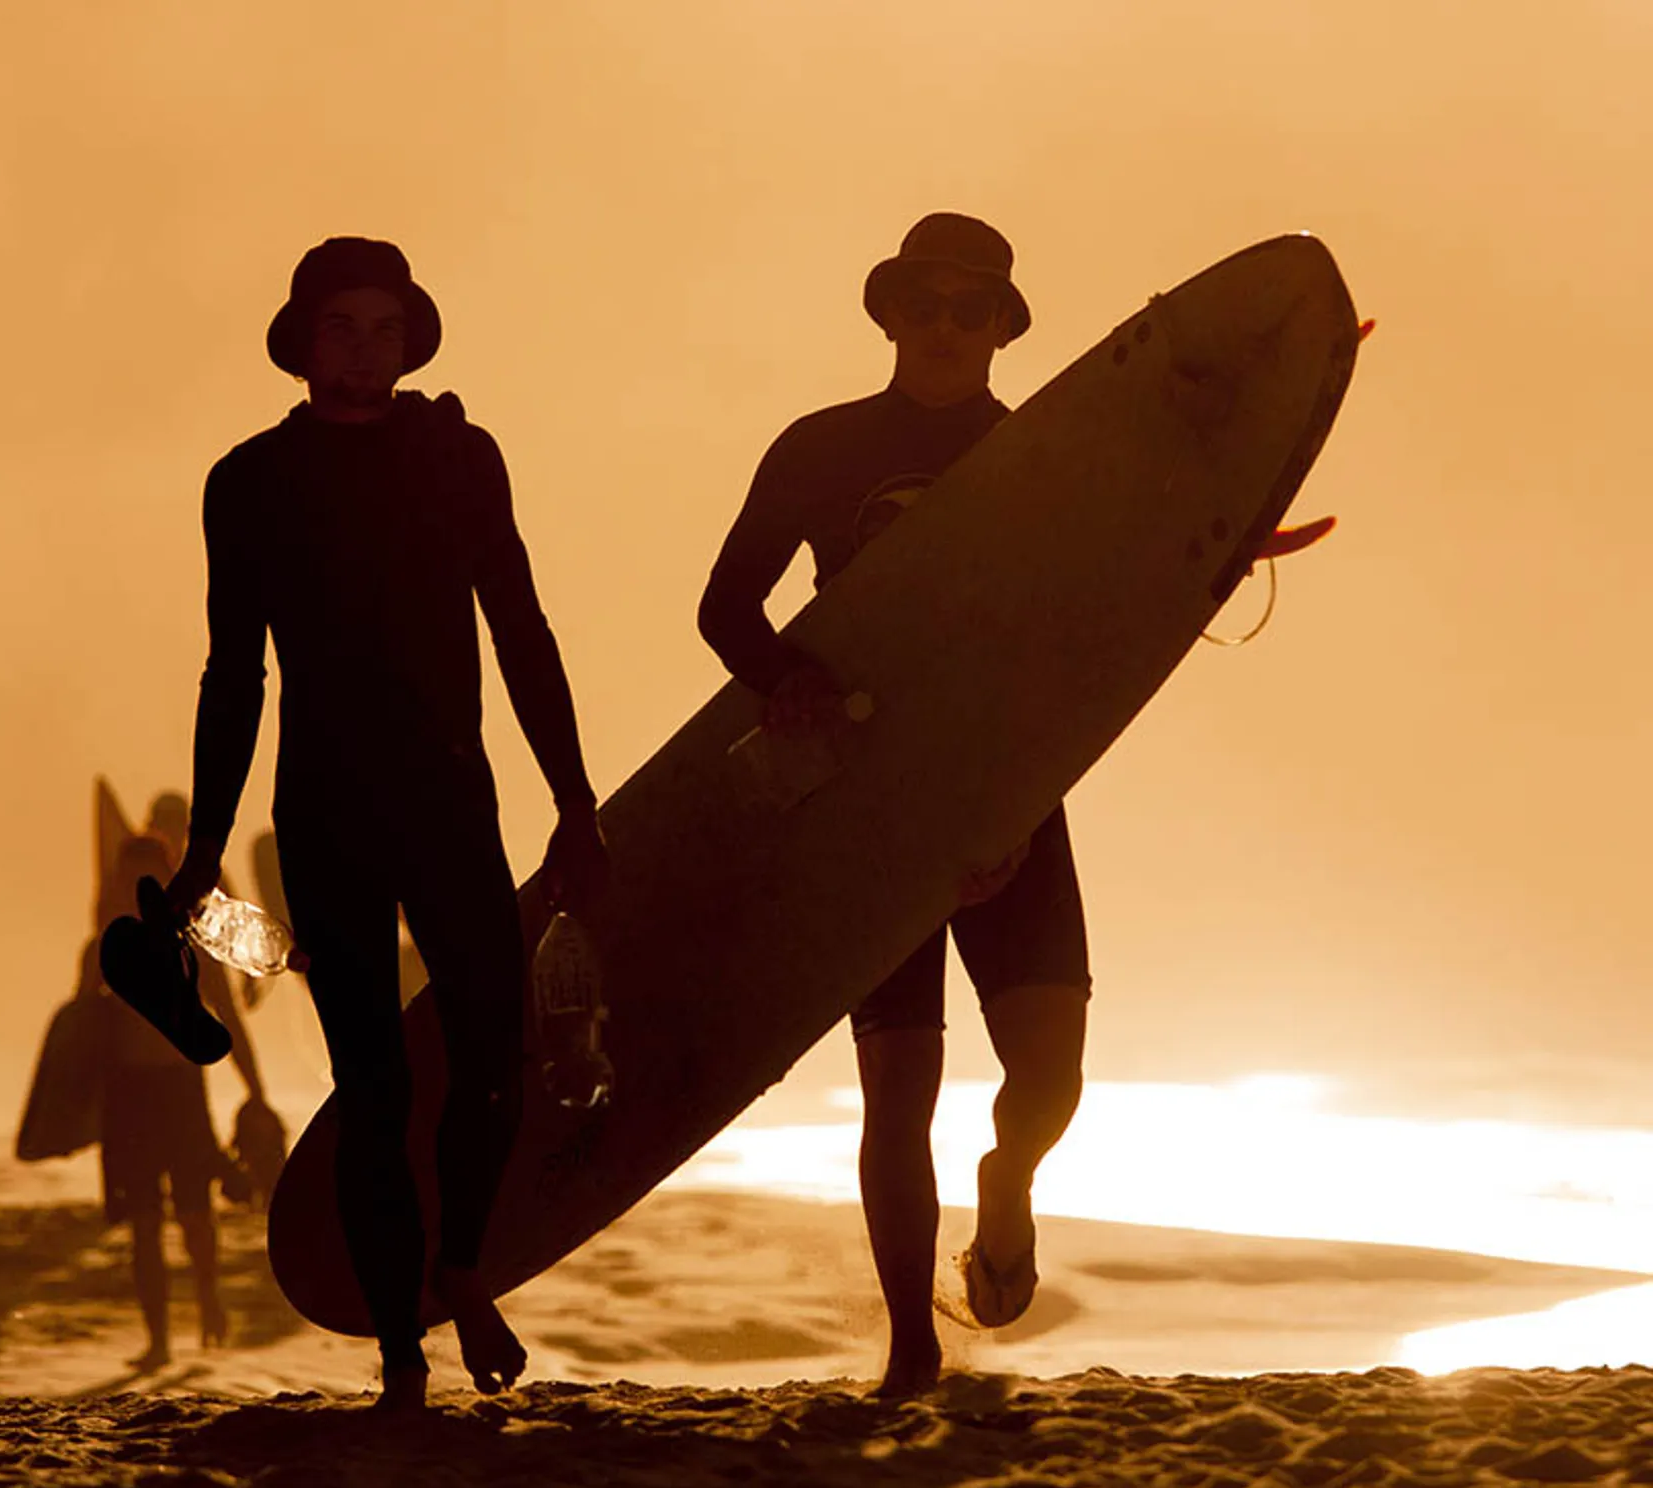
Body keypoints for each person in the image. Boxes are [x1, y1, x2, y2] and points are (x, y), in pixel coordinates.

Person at [698, 214, 1324, 1396]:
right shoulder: (819, 449)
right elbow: (724, 606)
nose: (943, 327)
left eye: (969, 308)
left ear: (1000, 327)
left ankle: (1007, 1180)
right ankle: (911, 1344)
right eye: (923, 304)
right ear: (888, 314)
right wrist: (788, 684)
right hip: (866, 800)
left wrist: (1227, 517)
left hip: (1006, 785)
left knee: (1048, 1076)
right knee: (897, 1092)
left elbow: (1107, 610)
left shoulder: (1044, 449)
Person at [164, 235, 607, 1410]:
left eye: (384, 329)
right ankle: (402, 1356)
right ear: (302, 344)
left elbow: (520, 629)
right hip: (324, 811)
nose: (363, 349)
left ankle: (460, 1267)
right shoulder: (249, 482)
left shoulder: (460, 459)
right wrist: (206, 844)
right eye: (340, 327)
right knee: (371, 1086)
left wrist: (573, 798)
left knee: (493, 1057)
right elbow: (234, 673)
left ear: (408, 344)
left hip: (449, 800)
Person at [91, 833, 270, 1368]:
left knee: (195, 1213)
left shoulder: (192, 948)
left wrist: (257, 1092)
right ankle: (159, 1340)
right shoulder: (103, 949)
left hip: (181, 1092)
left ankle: (209, 1298)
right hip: (130, 1099)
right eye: (132, 878)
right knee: (144, 1223)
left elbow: (229, 1018)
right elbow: (80, 1034)